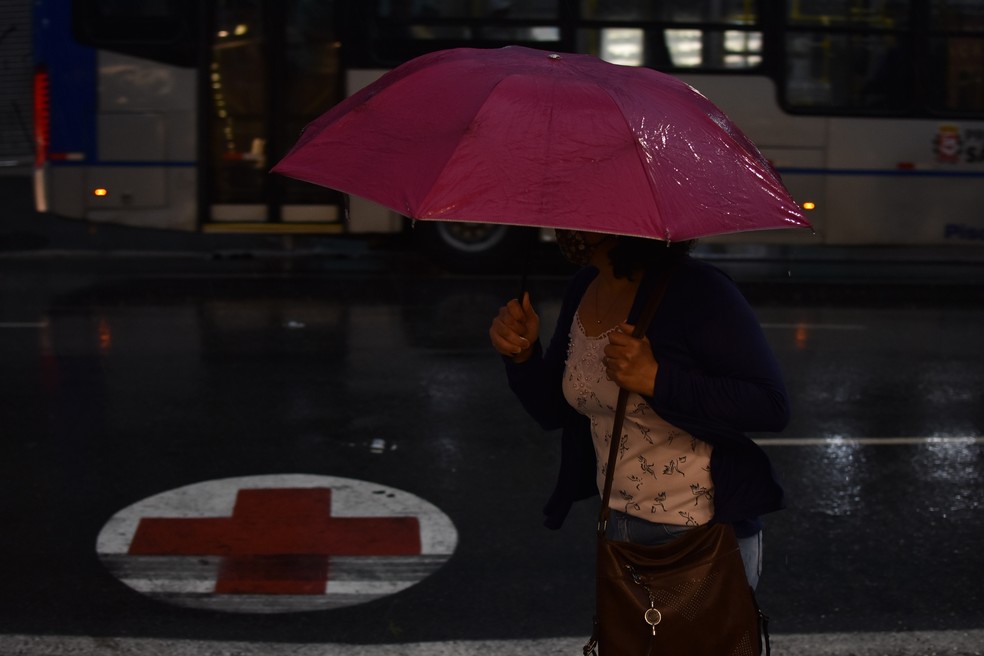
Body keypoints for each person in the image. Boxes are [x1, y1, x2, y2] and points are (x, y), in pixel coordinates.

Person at [488, 229, 789, 589]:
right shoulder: (585, 286)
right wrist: (522, 355)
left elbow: (770, 404)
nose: (564, 229)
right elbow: (554, 410)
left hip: (700, 531)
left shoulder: (699, 290)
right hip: (618, 525)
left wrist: (658, 379)